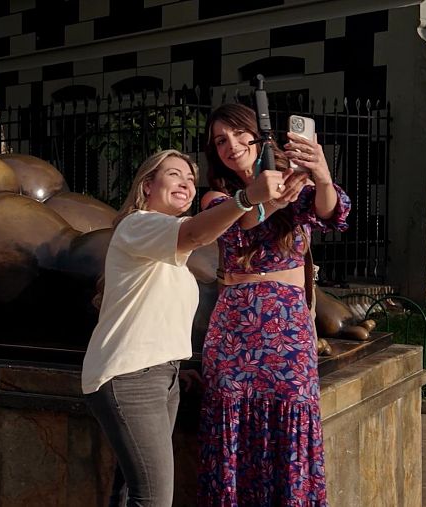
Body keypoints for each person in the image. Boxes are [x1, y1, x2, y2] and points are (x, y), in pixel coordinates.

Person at [82, 149, 285, 507]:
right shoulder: (138, 224)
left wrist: (176, 365)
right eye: (174, 174)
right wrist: (247, 197)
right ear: (147, 186)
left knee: (130, 492)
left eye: (191, 179)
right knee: (153, 498)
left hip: (160, 375)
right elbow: (195, 233)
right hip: (131, 377)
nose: (186, 183)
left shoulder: (164, 244)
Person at [196, 103, 351, 506]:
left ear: (258, 135)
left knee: (293, 423)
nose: (231, 145)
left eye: (237, 133)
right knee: (233, 429)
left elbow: (330, 212)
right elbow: (243, 223)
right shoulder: (218, 198)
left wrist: (321, 174)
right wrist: (270, 198)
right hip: (234, 334)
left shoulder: (295, 182)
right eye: (220, 141)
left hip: (289, 332)